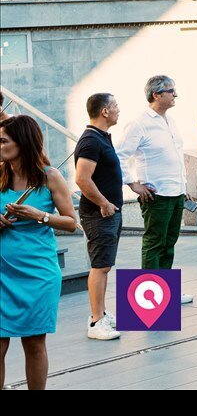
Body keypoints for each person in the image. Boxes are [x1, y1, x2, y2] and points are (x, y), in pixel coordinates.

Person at [0, 116, 78, 390]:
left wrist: (40, 215)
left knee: (34, 343)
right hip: (2, 274)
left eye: (3, 141)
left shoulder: (50, 177)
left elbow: (71, 222)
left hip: (37, 273)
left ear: (22, 142)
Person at [117, 76, 192, 289]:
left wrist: (183, 186)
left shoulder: (170, 120)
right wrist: (132, 183)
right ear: (156, 95)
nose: (175, 94)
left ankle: (164, 293)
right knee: (155, 243)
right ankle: (151, 299)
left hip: (176, 192)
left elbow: (175, 155)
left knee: (169, 244)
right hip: (156, 194)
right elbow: (119, 156)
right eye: (171, 90)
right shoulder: (139, 123)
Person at [74, 93, 124, 341]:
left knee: (104, 266)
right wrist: (103, 203)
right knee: (100, 267)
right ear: (104, 111)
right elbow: (82, 178)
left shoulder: (101, 138)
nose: (118, 110)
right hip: (99, 213)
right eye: (115, 106)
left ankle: (101, 313)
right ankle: (95, 322)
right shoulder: (91, 141)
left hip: (109, 212)